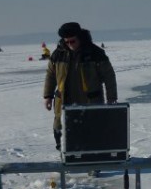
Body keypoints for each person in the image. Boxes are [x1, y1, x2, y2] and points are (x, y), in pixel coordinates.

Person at [43, 22, 118, 151]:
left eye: (72, 41)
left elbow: (109, 76)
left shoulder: (95, 53)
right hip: (64, 100)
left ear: (80, 37)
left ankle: (93, 163)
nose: (70, 44)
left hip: (90, 100)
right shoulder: (58, 54)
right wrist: (48, 96)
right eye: (67, 42)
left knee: (91, 130)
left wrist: (112, 97)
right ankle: (67, 157)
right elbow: (50, 75)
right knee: (61, 128)